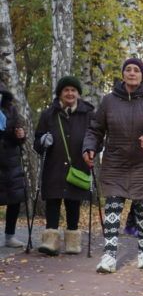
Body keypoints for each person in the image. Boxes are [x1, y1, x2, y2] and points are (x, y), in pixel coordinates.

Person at [83, 58, 143, 273]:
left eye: (136, 70)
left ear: (142, 75)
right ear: (123, 75)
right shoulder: (109, 101)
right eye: (128, 70)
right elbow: (95, 129)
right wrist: (90, 147)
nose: (131, 73)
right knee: (113, 207)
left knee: (141, 210)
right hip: (115, 162)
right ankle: (109, 256)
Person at [34, 76, 94, 255]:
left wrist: (92, 148)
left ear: (78, 93)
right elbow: (37, 141)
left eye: (73, 90)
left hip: (78, 165)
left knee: (73, 202)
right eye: (66, 90)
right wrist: (42, 141)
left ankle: (72, 242)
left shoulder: (88, 114)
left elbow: (96, 137)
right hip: (54, 166)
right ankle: (51, 241)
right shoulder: (48, 114)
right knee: (53, 201)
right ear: (60, 93)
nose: (70, 93)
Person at [0, 82, 26, 248]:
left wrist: (21, 134)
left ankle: (10, 236)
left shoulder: (10, 108)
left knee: (14, 197)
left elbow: (18, 132)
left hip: (10, 159)